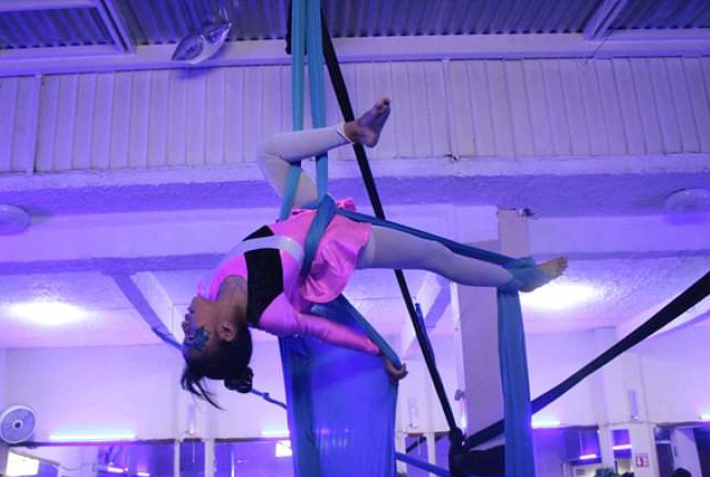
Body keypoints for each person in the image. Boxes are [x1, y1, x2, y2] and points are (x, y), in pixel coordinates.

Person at [179, 98, 567, 402]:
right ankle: (517, 279)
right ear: (227, 330)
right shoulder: (271, 314)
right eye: (192, 335)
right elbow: (327, 331)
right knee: (434, 254)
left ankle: (355, 131)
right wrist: (379, 351)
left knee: (267, 152)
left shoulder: (207, 286)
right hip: (334, 245)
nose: (184, 325)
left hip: (306, 213)